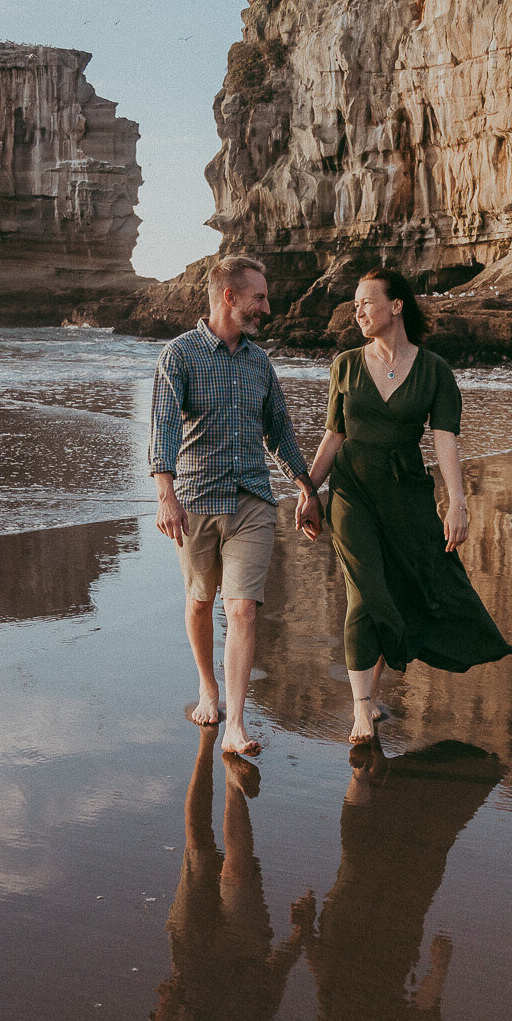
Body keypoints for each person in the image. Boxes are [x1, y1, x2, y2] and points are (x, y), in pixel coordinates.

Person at [300, 268, 512, 743]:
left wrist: (455, 502)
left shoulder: (435, 370)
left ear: (396, 306)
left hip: (406, 493)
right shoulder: (346, 364)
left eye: (366, 302)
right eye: (355, 304)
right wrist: (308, 488)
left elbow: (444, 439)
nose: (357, 312)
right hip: (352, 490)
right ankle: (360, 708)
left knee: (396, 588)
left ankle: (370, 695)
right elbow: (334, 434)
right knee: (362, 592)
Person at [150, 254, 321, 755]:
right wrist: (167, 496)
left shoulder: (260, 362)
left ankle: (236, 724)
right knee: (201, 601)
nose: (267, 306)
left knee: (242, 608)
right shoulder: (178, 356)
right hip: (197, 500)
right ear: (229, 296)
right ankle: (209, 687)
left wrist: (307, 488)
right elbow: (161, 429)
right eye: (259, 297)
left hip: (252, 499)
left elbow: (280, 433)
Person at [296, 739, 506, 1021]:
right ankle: (368, 776)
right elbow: (425, 1004)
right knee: (406, 857)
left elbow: (323, 974)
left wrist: (306, 931)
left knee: (361, 860)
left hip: (357, 936)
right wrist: (439, 965)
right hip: (391, 941)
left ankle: (361, 775)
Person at [150, 726, 311, 1021]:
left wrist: (168, 1006)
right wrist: (299, 934)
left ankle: (209, 757)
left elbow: (163, 1020)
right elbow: (270, 986)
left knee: (198, 844)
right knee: (238, 869)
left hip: (192, 952)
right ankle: (233, 779)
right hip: (243, 953)